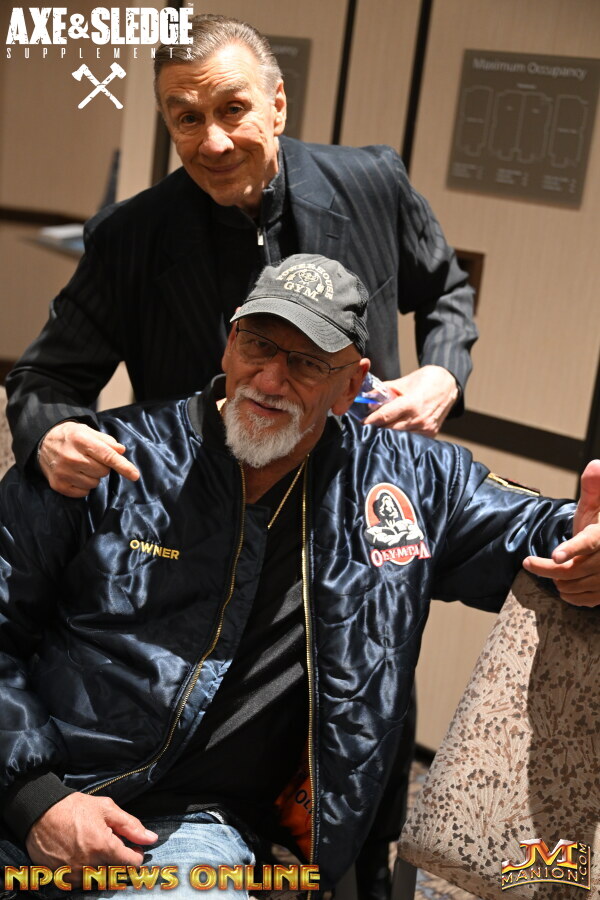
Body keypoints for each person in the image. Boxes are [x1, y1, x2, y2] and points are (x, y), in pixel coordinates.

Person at [0, 255, 598, 897]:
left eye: (308, 362)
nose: (270, 378)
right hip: (38, 783)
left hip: (189, 828)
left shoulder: (407, 484)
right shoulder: (107, 459)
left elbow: (537, 530)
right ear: (231, 342)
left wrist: (587, 543)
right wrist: (37, 801)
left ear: (351, 385)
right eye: (258, 344)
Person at [5, 13, 477, 502]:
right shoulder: (128, 237)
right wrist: (53, 434)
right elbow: (46, 378)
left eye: (233, 109)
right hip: (202, 507)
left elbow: (446, 290)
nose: (214, 143)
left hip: (356, 490)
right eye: (189, 119)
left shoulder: (372, 184)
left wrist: (443, 376)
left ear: (277, 106)